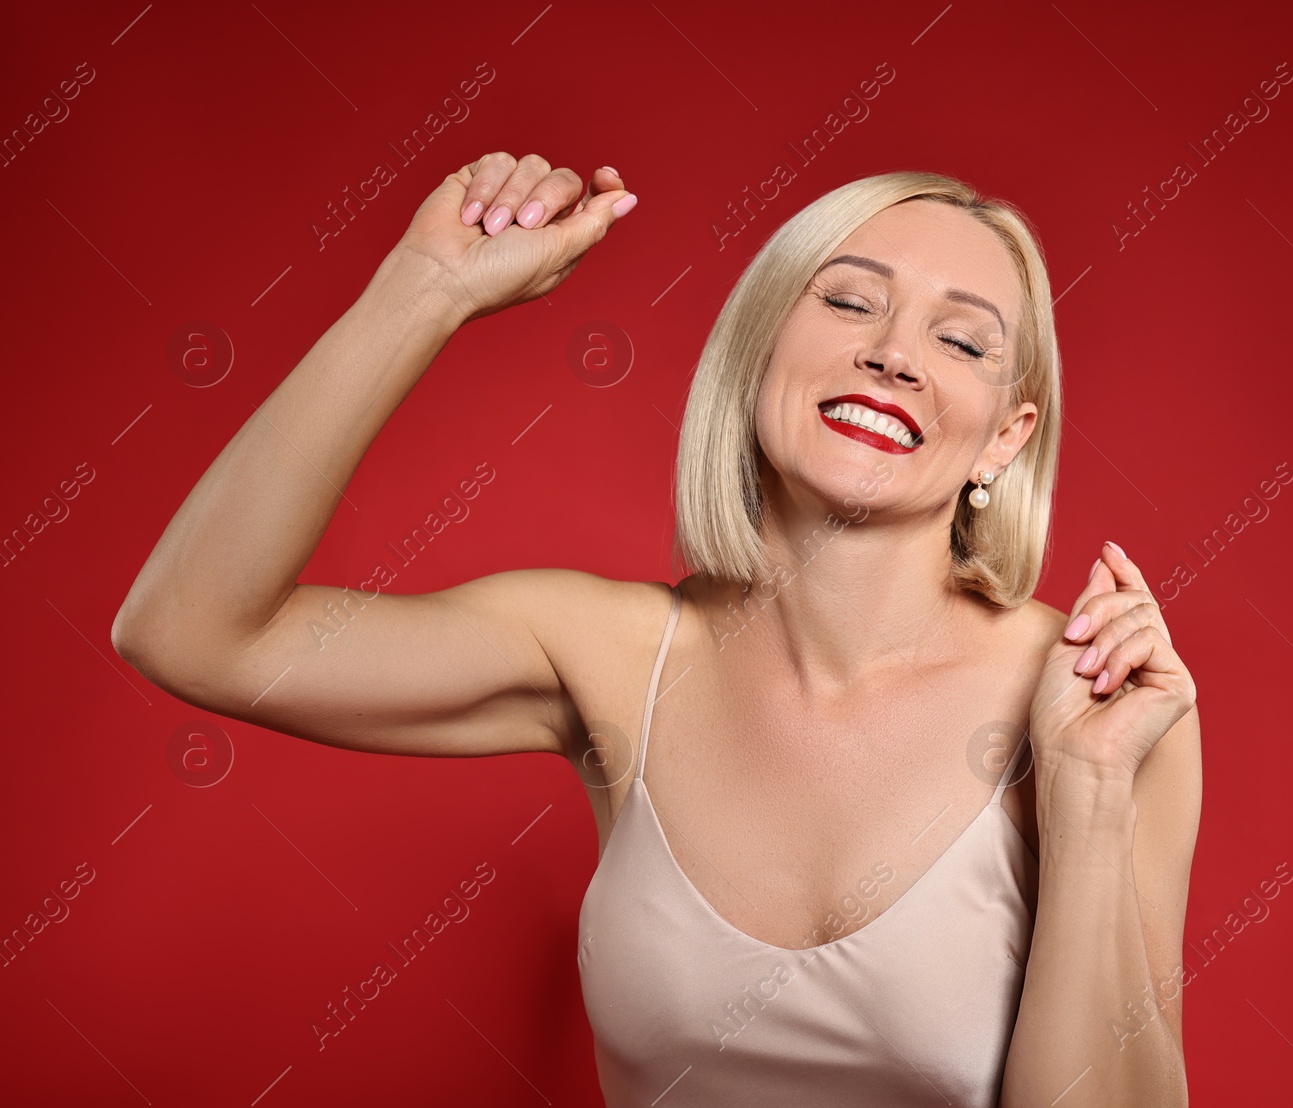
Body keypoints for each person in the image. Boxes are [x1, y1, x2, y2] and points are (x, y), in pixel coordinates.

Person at [112, 153, 1202, 1107]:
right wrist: (424, 290)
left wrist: (1089, 797)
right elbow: (193, 632)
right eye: (848, 303)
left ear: (1002, 441)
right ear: (758, 350)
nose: (894, 354)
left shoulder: (1096, 705)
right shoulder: (609, 658)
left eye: (962, 340)